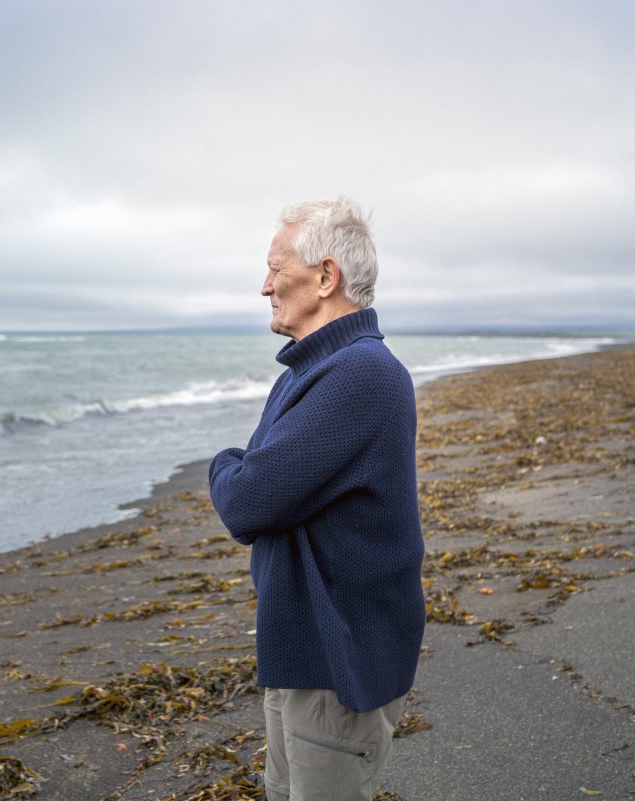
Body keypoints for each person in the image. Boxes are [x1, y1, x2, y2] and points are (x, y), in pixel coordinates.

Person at [209, 198, 425, 801]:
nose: (264, 286)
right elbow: (263, 488)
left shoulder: (362, 375)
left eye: (276, 269)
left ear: (325, 277)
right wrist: (246, 470)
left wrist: (222, 463)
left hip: (341, 658)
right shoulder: (307, 373)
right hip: (303, 649)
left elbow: (246, 500)